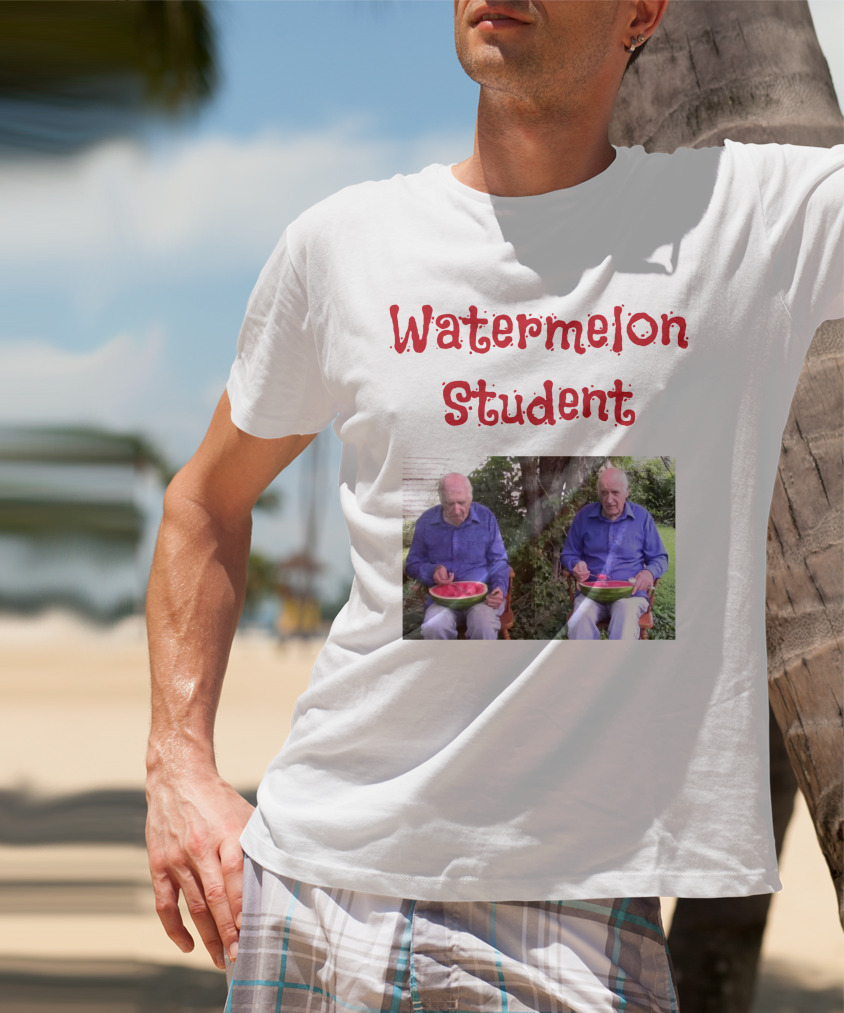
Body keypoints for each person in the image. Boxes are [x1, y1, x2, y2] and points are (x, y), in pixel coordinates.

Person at [144, 2, 842, 1011]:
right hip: (314, 893)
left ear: (642, 14)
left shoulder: (751, 221)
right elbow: (204, 502)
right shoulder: (344, 246)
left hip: (575, 926)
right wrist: (179, 766)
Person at [561, 467, 668, 639]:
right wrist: (575, 564)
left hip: (630, 595)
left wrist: (649, 572)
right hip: (591, 594)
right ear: (598, 493)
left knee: (625, 614)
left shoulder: (642, 518)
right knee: (579, 619)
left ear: (627, 492)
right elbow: (568, 554)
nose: (609, 500)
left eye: (615, 493)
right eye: (604, 493)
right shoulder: (584, 516)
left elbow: (660, 557)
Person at [404, 473, 510, 639]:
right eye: (449, 504)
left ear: (470, 498)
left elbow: (499, 560)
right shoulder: (426, 522)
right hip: (442, 602)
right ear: (441, 500)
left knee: (483, 625)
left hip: (483, 599)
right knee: (433, 627)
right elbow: (412, 564)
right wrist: (431, 571)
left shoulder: (486, 517)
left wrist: (499, 587)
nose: (456, 510)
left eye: (461, 503)